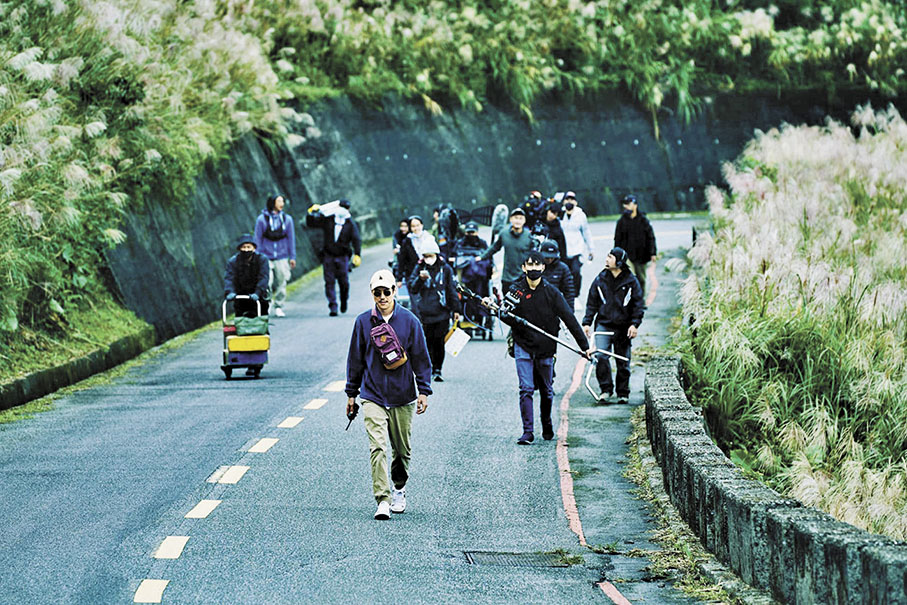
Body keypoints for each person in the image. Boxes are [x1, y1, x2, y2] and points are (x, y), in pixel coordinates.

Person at [346, 269, 432, 520]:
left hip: (403, 396)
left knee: (402, 450)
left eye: (386, 292)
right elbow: (355, 359)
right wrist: (352, 393)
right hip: (372, 394)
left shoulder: (409, 321)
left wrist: (423, 391)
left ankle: (399, 488)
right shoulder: (363, 322)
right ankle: (382, 499)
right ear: (372, 294)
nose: (382, 297)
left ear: (395, 291)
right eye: (377, 293)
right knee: (378, 447)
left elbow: (421, 359)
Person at [493, 251, 592, 444]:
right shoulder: (516, 290)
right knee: (526, 388)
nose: (533, 269)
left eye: (537, 265)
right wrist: (500, 310)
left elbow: (569, 319)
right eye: (529, 265)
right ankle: (527, 431)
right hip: (522, 345)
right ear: (523, 268)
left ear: (543, 268)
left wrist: (584, 346)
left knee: (546, 390)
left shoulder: (552, 292)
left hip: (546, 347)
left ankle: (546, 423)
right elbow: (504, 314)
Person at [582, 247, 644, 405]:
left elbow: (638, 305)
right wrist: (587, 322)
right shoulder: (600, 279)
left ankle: (623, 392)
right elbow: (592, 303)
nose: (607, 259)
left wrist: (634, 324)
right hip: (604, 323)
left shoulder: (631, 281)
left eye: (610, 256)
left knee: (623, 360)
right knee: (601, 356)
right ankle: (606, 389)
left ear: (620, 262)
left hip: (624, 327)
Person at [407, 239, 459, 382]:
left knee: (439, 341)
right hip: (425, 311)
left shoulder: (445, 269)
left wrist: (456, 309)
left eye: (430, 255)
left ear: (436, 254)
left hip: (442, 311)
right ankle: (428, 367)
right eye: (426, 256)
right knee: (428, 341)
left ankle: (438, 369)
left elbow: (451, 289)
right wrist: (420, 279)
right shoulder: (419, 268)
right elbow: (413, 288)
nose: (428, 259)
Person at [306, 199, 362, 316]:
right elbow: (311, 223)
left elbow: (356, 239)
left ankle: (344, 300)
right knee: (329, 281)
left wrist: (357, 254)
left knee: (344, 282)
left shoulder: (350, 223)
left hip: (343, 257)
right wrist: (311, 213)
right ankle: (333, 306)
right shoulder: (328, 219)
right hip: (328, 256)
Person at [253, 194, 296, 317]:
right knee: (267, 282)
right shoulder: (262, 219)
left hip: (282, 256)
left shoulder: (287, 220)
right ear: (272, 203)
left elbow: (291, 239)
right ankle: (267, 304)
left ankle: (279, 305)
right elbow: (257, 238)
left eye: (282, 201)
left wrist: (292, 257)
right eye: (279, 201)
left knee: (282, 281)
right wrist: (257, 256)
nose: (282, 203)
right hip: (266, 256)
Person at [477, 207, 534, 295]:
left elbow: (535, 255)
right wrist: (481, 257)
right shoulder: (504, 234)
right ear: (511, 219)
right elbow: (494, 248)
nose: (518, 221)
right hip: (507, 277)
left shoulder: (529, 236)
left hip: (524, 277)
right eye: (515, 218)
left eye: (520, 218)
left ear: (524, 220)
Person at [613, 194, 657, 300]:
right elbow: (617, 239)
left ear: (635, 205)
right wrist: (616, 255)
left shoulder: (643, 220)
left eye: (629, 204)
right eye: (625, 204)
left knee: (641, 278)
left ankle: (640, 300)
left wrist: (653, 253)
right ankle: (630, 300)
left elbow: (650, 237)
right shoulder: (621, 222)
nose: (626, 206)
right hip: (627, 255)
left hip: (642, 255)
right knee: (629, 276)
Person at [560, 191, 594, 298]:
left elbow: (586, 232)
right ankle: (565, 295)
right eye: (567, 199)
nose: (569, 201)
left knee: (576, 273)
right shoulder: (560, 214)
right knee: (564, 274)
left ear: (576, 202)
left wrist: (591, 249)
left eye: (572, 199)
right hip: (563, 251)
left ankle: (575, 296)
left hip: (576, 250)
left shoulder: (581, 215)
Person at [395, 215, 436, 286]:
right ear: (410, 228)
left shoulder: (429, 238)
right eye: (413, 226)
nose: (416, 228)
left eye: (418, 225)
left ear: (422, 225)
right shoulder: (407, 241)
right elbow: (401, 260)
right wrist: (399, 278)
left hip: (430, 273)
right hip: (412, 275)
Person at [540, 239, 575, 309]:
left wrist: (570, 312)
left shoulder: (563, 268)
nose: (549, 260)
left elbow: (569, 292)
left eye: (552, 257)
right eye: (547, 257)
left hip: (554, 306)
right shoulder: (534, 266)